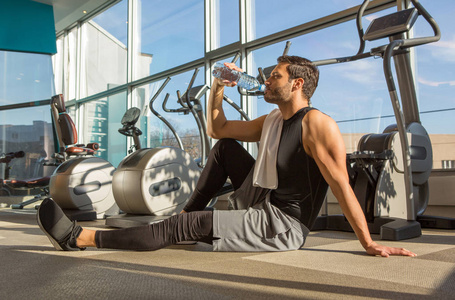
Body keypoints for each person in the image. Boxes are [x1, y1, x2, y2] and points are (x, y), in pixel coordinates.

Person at [37, 55, 416, 257]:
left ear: (297, 83)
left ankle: (81, 239)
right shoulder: (273, 118)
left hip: (281, 225)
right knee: (225, 150)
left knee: (177, 231)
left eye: (275, 77)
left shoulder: (316, 125)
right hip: (262, 196)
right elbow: (218, 131)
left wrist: (368, 242)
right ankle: (188, 212)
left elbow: (341, 185)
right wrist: (219, 85)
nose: (267, 80)